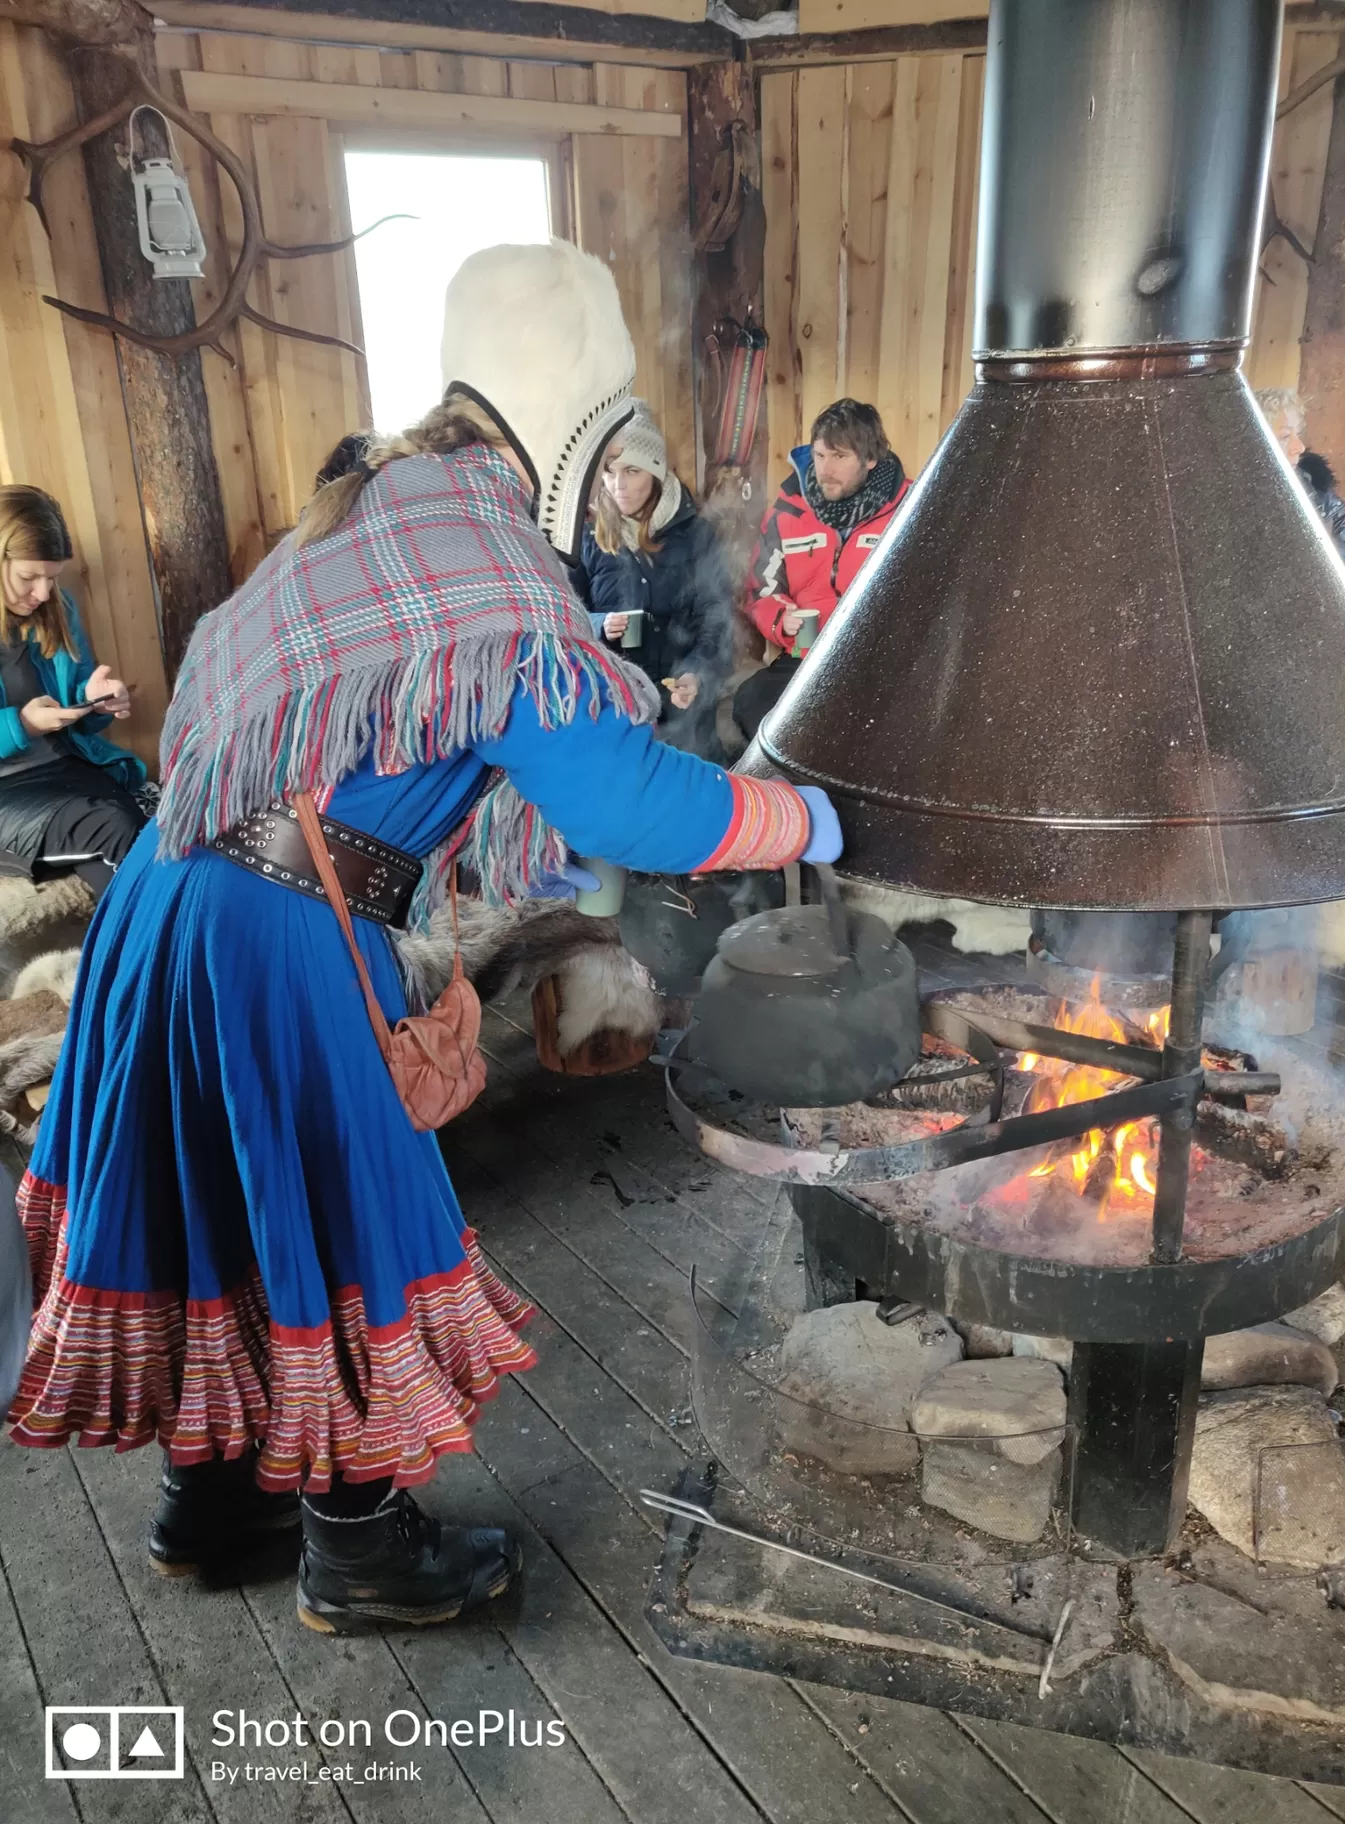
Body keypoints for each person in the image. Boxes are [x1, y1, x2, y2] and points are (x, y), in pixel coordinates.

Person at [7, 241, 839, 1636]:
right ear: (578, 423)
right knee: (327, 1214)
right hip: (269, 925)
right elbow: (622, 797)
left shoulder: (366, 509)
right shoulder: (487, 554)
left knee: (226, 1195)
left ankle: (215, 1508)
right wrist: (806, 824)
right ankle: (361, 1550)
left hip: (173, 892)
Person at [733, 399, 910, 743]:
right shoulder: (790, 506)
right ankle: (791, 794)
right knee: (751, 702)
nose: (825, 468)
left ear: (871, 459)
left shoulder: (908, 507)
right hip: (806, 654)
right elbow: (759, 588)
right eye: (820, 455)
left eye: (839, 456)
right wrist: (781, 618)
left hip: (877, 663)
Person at [0, 487, 143, 900]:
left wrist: (97, 701)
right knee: (111, 825)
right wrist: (23, 724)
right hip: (8, 790)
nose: (43, 593)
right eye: (29, 577)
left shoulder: (56, 608)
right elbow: (29, 721)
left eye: (53, 577)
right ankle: (148, 958)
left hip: (60, 767)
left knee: (144, 830)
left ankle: (139, 955)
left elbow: (77, 702)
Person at [578, 404, 732, 758]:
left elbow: (716, 619)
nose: (618, 485)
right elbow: (562, 617)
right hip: (616, 703)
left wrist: (696, 672)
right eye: (609, 471)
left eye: (632, 471)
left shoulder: (696, 534)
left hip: (683, 704)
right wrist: (599, 623)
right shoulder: (586, 536)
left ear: (656, 472)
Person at [1255, 386, 1345, 592]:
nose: (1300, 447)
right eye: (1285, 436)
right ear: (1254, 440)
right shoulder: (1240, 500)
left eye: (1297, 434)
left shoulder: (1316, 487)